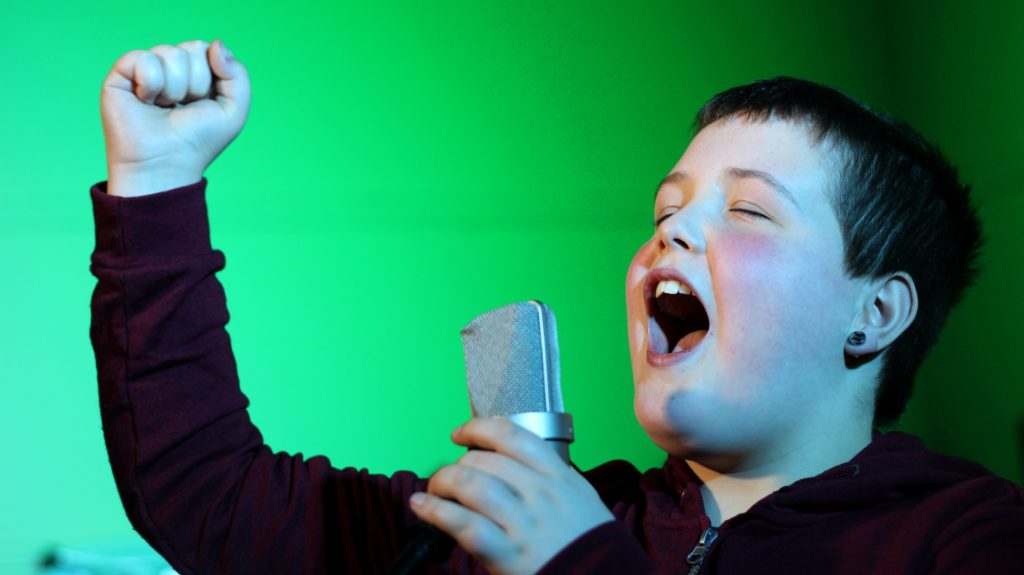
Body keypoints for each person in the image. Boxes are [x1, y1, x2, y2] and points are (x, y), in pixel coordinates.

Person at [90, 39, 1024, 575]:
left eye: (746, 210)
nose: (674, 234)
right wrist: (158, 183)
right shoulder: (533, 515)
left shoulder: (967, 538)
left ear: (877, 313)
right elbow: (208, 493)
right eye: (665, 210)